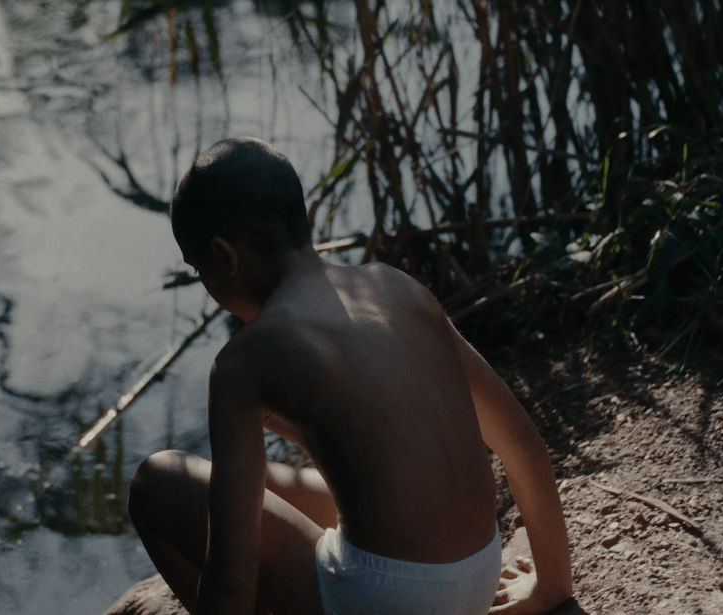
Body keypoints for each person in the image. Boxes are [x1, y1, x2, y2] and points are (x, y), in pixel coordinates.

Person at [126, 136, 572, 615]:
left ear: (225, 256)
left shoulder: (242, 362)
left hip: (382, 601)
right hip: (479, 576)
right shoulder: (395, 287)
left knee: (156, 483)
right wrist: (551, 587)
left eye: (200, 271)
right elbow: (521, 443)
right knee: (258, 485)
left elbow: (231, 576)